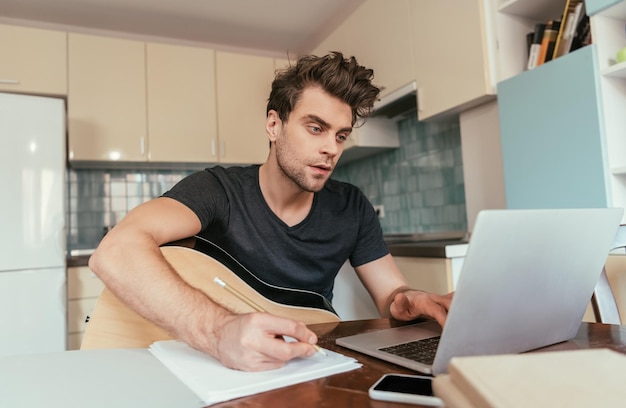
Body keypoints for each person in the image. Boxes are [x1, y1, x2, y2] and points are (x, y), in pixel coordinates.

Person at [89, 51, 453, 372]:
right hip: (214, 368)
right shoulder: (218, 190)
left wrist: (407, 299)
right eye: (316, 128)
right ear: (274, 125)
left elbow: (391, 296)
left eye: (341, 135)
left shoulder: (352, 207)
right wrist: (218, 332)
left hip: (299, 363)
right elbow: (116, 251)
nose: (331, 148)